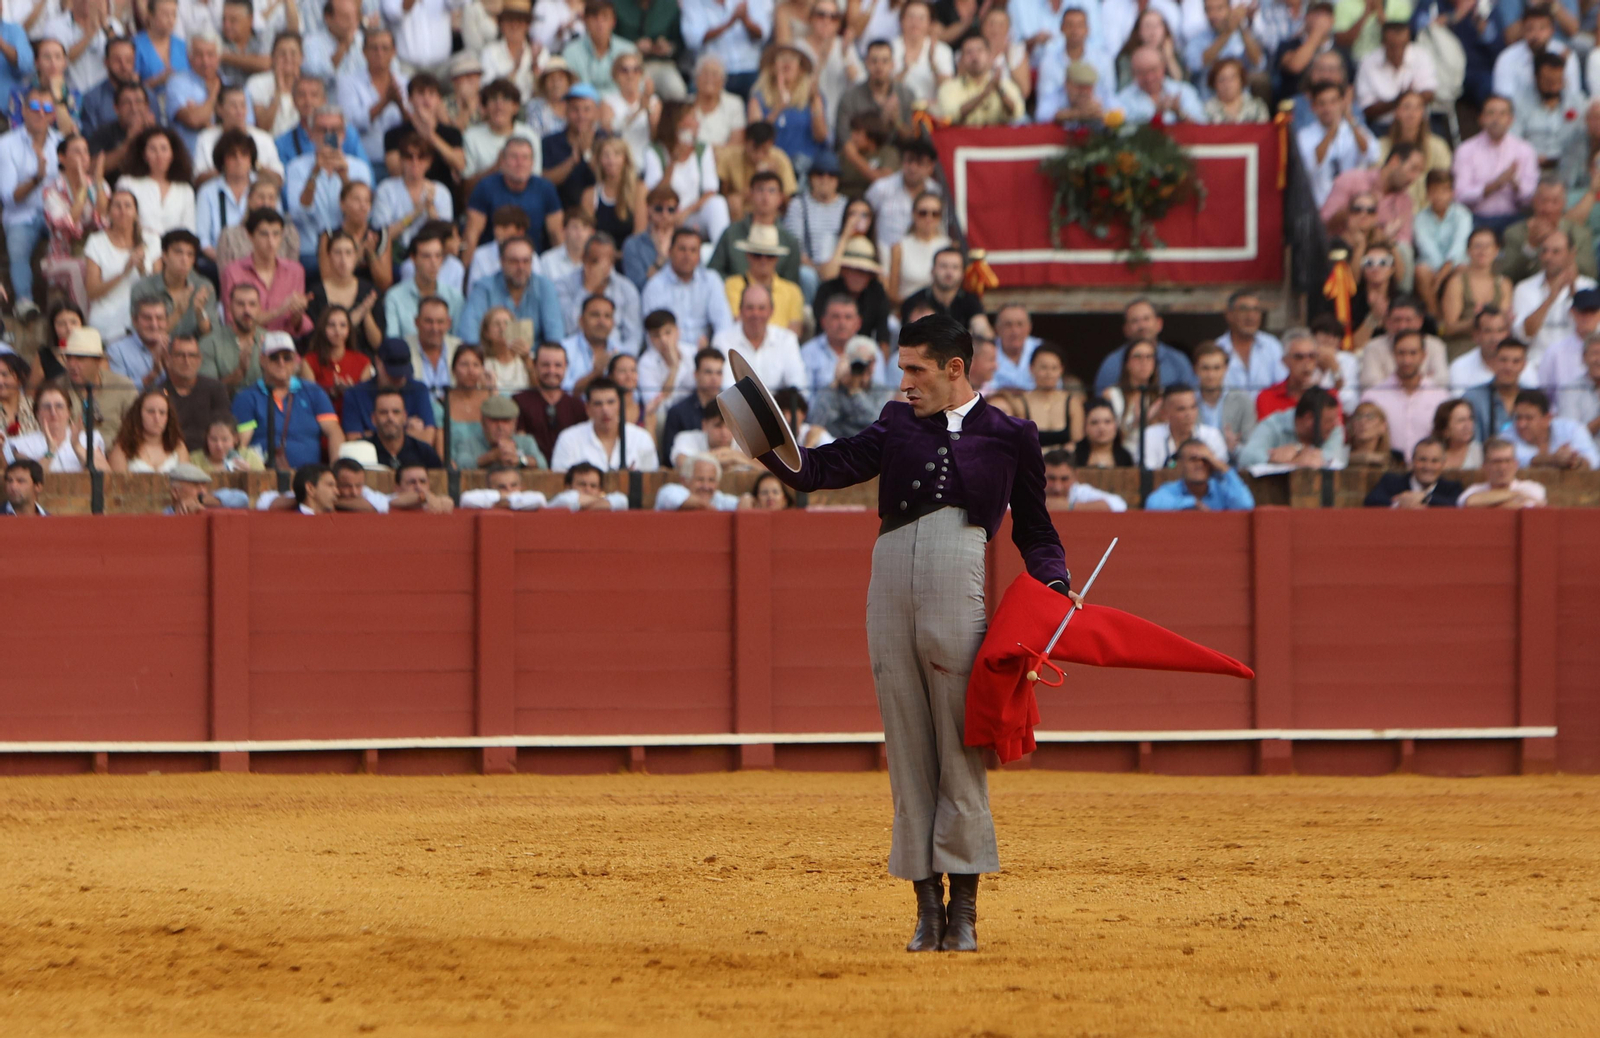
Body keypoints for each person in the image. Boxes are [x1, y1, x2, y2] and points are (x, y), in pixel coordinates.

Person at [752, 312, 1069, 952]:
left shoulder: (1012, 436)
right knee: (906, 746)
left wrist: (1055, 588)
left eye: (915, 368)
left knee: (959, 745)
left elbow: (1035, 531)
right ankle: (927, 909)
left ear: (956, 369)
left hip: (959, 576)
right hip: (889, 577)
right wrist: (765, 444)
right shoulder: (895, 423)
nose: (904, 381)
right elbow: (820, 469)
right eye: (901, 368)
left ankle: (966, 913)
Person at [231, 331, 344, 470]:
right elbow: (241, 444)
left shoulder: (314, 392)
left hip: (308, 478)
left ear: (295, 360)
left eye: (287, 357)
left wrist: (335, 470)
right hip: (264, 476)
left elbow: (334, 432)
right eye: (274, 357)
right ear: (262, 360)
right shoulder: (247, 397)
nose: (281, 362)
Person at [284, 105, 374, 270]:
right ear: (310, 134)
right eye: (322, 130)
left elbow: (361, 212)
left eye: (335, 130)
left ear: (344, 134)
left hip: (350, 250)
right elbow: (299, 213)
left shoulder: (359, 168)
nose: (328, 136)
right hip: (311, 250)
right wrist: (315, 173)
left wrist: (345, 178)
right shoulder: (296, 167)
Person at [0, 84, 64, 318]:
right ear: (24, 111)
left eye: (46, 107)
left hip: (55, 213)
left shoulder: (61, 143)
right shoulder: (5, 145)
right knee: (17, 247)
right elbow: (9, 198)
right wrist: (37, 178)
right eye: (34, 106)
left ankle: (65, 305)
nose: (40, 112)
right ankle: (24, 302)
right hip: (21, 215)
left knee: (72, 237)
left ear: (53, 114)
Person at [455, 236, 567, 348]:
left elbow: (555, 335)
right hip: (491, 360)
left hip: (534, 360)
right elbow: (469, 333)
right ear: (502, 261)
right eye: (514, 261)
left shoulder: (545, 286)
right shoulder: (484, 287)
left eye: (526, 261)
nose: (521, 267)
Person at [1452, 95, 1539, 233]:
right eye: (1491, 113)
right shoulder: (1465, 150)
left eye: (1502, 114)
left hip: (1514, 218)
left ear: (1511, 120)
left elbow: (1531, 196)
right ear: (1481, 119)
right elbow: (1460, 195)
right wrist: (1495, 185)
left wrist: (1515, 185)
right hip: (1476, 219)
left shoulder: (1525, 150)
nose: (1496, 119)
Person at [83, 188, 161, 341]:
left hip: (143, 318)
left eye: (128, 206)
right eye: (117, 206)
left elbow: (158, 289)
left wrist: (142, 270)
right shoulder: (96, 242)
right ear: (109, 212)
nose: (122, 211)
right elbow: (92, 292)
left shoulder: (152, 240)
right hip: (106, 317)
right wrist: (124, 273)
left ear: (136, 212)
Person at [1361, 330, 1452, 461]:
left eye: (1413, 353)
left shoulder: (1441, 396)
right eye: (1401, 353)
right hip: (1387, 471)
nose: (1407, 360)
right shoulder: (1373, 396)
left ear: (1423, 356)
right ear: (1393, 354)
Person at [1512, 229, 1598, 367]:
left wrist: (1574, 294)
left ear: (1572, 254)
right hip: (1536, 364)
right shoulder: (1524, 288)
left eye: (1556, 252)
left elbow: (1594, 333)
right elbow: (1525, 335)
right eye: (1544, 251)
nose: (1548, 257)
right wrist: (1551, 298)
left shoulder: (1589, 287)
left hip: (1579, 365)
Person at [463, 138, 563, 256]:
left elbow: (556, 234)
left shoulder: (546, 188)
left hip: (533, 259)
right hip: (492, 259)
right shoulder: (485, 187)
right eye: (514, 157)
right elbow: (472, 233)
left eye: (525, 158)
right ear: (503, 161)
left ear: (532, 163)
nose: (519, 163)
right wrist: (465, 270)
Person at [220, 207, 310, 336]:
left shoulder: (295, 271)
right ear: (250, 236)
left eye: (276, 234)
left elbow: (296, 326)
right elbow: (234, 321)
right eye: (264, 234)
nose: (271, 242)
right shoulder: (232, 272)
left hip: (284, 345)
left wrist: (297, 313)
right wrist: (279, 311)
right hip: (247, 343)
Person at [641, 227, 735, 347]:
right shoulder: (655, 286)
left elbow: (724, 325)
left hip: (705, 355)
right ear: (670, 251)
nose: (687, 255)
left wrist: (714, 352)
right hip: (670, 356)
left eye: (693, 250)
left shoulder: (711, 280)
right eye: (682, 249)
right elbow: (654, 333)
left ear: (699, 255)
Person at [548, 375, 658, 471]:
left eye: (610, 402)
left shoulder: (641, 438)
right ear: (587, 408)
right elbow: (560, 485)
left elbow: (651, 480)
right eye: (597, 404)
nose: (605, 409)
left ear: (620, 404)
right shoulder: (569, 439)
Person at [555, 231, 643, 350]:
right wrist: (587, 289)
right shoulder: (563, 285)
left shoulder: (627, 289)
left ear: (612, 262)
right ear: (583, 258)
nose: (600, 268)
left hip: (615, 355)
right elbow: (566, 327)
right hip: (574, 355)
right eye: (595, 261)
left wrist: (620, 360)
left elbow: (633, 337)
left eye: (606, 262)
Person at [341, 338, 438, 441]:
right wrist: (406, 432)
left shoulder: (418, 389)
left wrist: (371, 434)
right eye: (392, 374)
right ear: (378, 362)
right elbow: (355, 441)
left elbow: (428, 438)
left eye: (402, 373)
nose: (398, 378)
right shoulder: (356, 394)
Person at [1093, 299, 1197, 394]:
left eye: (1146, 319)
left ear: (1159, 324)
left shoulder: (1178, 360)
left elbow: (1192, 400)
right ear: (1125, 329)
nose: (1142, 326)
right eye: (1135, 321)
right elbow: (1101, 406)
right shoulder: (1112, 363)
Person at [1438, 227, 1516, 353]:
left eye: (1488, 246)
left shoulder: (1504, 284)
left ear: (1496, 250)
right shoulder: (1457, 282)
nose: (1482, 251)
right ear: (1468, 251)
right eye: (1477, 246)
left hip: (1495, 348)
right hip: (1463, 346)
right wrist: (1474, 322)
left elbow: (1503, 321)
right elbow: (1449, 327)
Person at [3, 379, 107, 472]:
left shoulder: (89, 439)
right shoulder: (21, 445)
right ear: (37, 413)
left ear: (69, 412)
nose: (53, 412)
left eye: (59, 406)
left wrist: (77, 446)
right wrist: (50, 452)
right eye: (47, 407)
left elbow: (106, 475)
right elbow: (30, 479)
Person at [1237, 386, 1347, 469]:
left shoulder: (1335, 429)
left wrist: (1297, 451)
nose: (1335, 424)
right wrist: (1273, 460)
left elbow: (1332, 459)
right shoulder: (1274, 424)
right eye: (1328, 421)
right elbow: (1247, 456)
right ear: (1309, 418)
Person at [513, 340, 589, 461]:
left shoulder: (577, 405)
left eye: (558, 365)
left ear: (566, 367)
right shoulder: (519, 401)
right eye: (545, 365)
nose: (551, 371)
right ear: (534, 365)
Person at [864, 137, 939, 257]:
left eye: (919, 163)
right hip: (885, 262)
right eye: (909, 161)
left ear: (930, 167)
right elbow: (864, 222)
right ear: (902, 162)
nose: (913, 168)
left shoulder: (937, 193)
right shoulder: (881, 188)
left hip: (923, 263)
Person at [465, 79, 542, 196]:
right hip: (485, 199)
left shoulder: (530, 135)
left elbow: (536, 179)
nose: (499, 106)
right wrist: (496, 167)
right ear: (484, 107)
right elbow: (466, 187)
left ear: (515, 107)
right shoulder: (471, 136)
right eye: (493, 99)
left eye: (506, 99)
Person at [117, 125, 196, 238]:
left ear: (172, 154)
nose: (159, 155)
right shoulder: (128, 183)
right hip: (138, 250)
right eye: (153, 149)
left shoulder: (185, 189)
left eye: (164, 149)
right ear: (144, 155)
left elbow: (189, 231)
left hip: (174, 253)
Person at [310, 230, 383, 351]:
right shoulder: (315, 293)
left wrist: (366, 313)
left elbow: (377, 343)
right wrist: (353, 319)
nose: (343, 259)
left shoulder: (370, 292)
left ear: (356, 256)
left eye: (348, 253)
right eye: (337, 253)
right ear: (328, 256)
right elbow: (314, 341)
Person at [385, 229, 463, 340]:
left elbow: (458, 340)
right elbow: (393, 341)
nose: (434, 262)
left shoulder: (455, 297)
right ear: (413, 258)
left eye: (438, 256)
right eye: (426, 256)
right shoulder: (394, 297)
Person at [158, 333, 229, 453]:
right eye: (180, 355)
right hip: (170, 455)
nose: (187, 361)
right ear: (168, 359)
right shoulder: (157, 393)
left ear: (199, 360)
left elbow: (224, 429)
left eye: (192, 355)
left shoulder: (216, 389)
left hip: (209, 457)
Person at [809, 335, 892, 439]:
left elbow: (876, 422)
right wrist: (834, 384)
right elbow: (817, 423)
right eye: (858, 364)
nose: (864, 368)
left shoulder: (880, 390)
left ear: (874, 363)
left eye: (869, 362)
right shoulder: (834, 389)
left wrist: (855, 391)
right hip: (836, 446)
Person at [1413, 170, 1473, 312]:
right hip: (1432, 265)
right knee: (1421, 271)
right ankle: (1436, 319)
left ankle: (1455, 316)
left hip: (1456, 264)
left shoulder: (1463, 214)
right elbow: (1426, 248)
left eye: (1444, 191)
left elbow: (1460, 246)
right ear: (1427, 193)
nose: (1439, 196)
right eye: (1434, 191)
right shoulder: (1420, 218)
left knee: (1462, 269)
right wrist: (1441, 272)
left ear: (1452, 192)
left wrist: (1444, 272)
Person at [934, 33, 1021, 129]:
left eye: (979, 51)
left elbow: (1017, 113)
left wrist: (1000, 90)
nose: (974, 56)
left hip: (999, 140)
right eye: (969, 52)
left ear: (990, 56)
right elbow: (950, 116)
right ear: (961, 59)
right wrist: (984, 94)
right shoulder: (949, 88)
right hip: (963, 140)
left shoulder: (1004, 84)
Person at [301, 305, 372, 416]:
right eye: (331, 325)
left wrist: (351, 392)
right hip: (321, 419)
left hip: (354, 421)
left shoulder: (363, 362)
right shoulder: (309, 361)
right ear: (323, 328)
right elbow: (308, 401)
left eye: (343, 325)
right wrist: (332, 393)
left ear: (349, 330)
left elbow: (367, 404)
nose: (337, 330)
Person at [1507, 387, 1598, 469]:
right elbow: (1520, 459)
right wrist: (1553, 459)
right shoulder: (1507, 436)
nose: (1521, 424)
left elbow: (1593, 460)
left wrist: (1576, 461)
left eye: (1529, 418)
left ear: (1547, 418)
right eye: (1518, 417)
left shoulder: (1572, 428)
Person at [1142, 384, 1229, 469]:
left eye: (1193, 407)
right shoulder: (1150, 436)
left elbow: (1224, 473)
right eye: (1181, 409)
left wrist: (1209, 458)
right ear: (1166, 412)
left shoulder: (1212, 436)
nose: (1189, 415)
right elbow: (1148, 474)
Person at [1114, 45, 1206, 125]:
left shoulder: (1184, 91)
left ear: (1163, 67)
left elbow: (1202, 126)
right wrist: (1157, 115)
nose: (1149, 78)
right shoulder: (1123, 99)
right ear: (1133, 73)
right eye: (1142, 72)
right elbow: (1125, 133)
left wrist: (1179, 113)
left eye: (1153, 70)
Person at [1451, 305, 1536, 391]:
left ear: (1508, 334)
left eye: (1500, 330)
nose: (1495, 338)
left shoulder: (1525, 367)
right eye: (1488, 331)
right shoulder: (1459, 367)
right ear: (1476, 335)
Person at [1362, 435, 1463, 506]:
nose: (1428, 466)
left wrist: (1425, 498)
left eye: (1434, 461)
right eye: (1422, 460)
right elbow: (1371, 500)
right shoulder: (1391, 482)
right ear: (1413, 461)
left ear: (1443, 464)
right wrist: (1399, 503)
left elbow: (1457, 504)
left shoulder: (1452, 488)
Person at [108, 386, 188, 472]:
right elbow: (117, 483)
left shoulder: (178, 447)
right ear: (138, 414)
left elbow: (187, 481)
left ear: (168, 417)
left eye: (162, 413)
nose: (157, 418)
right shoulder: (123, 449)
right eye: (150, 411)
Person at [200, 281, 264, 388]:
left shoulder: (271, 341)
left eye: (252, 304)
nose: (247, 310)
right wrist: (239, 373)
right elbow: (208, 394)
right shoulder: (210, 343)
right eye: (240, 304)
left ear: (259, 308)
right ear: (229, 308)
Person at [367, 387, 444, 471]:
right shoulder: (361, 450)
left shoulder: (424, 453)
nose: (390, 418)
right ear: (373, 418)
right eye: (383, 413)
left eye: (396, 412)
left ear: (405, 417)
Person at [1458, 436, 1548, 507]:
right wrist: (1515, 494)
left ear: (1516, 464)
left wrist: (1486, 503)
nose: (1502, 467)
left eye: (1507, 461)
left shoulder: (1531, 488)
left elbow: (1536, 505)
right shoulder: (1475, 490)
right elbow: (1471, 502)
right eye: (1496, 462)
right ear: (1485, 466)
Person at [1254, 328, 1323, 420]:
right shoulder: (1267, 398)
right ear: (1285, 361)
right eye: (1299, 357)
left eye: (1312, 356)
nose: (1307, 363)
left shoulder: (1329, 397)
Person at [1042, 449, 1127, 512]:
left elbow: (1119, 505)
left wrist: (1070, 507)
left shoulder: (1080, 491)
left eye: (1064, 479)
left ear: (1075, 476)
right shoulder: (1031, 491)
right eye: (1051, 479)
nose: (1057, 487)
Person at [654, 451, 740, 510]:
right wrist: (715, 512)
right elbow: (692, 502)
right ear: (684, 481)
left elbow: (742, 503)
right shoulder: (668, 491)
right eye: (700, 479)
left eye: (711, 480)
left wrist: (746, 500)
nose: (706, 486)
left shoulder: (717, 498)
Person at [478, 306, 532, 395]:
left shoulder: (527, 358)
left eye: (506, 323)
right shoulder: (481, 363)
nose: (502, 328)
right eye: (496, 324)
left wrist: (528, 361)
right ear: (486, 332)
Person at [458, 462, 550, 510]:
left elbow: (540, 499)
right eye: (502, 487)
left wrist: (508, 499)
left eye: (513, 485)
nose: (509, 490)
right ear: (489, 488)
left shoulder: (527, 499)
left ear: (521, 485)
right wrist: (499, 498)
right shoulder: (484, 499)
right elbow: (466, 499)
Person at [547, 458, 629, 509]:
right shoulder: (560, 500)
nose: (588, 489)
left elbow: (622, 500)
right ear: (568, 487)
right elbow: (568, 500)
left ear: (600, 489)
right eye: (582, 484)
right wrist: (601, 500)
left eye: (593, 486)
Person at [1433, 397, 1484, 470]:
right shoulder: (1432, 454)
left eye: (1470, 418)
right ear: (1445, 429)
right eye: (1461, 421)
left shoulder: (1481, 453)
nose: (1467, 425)